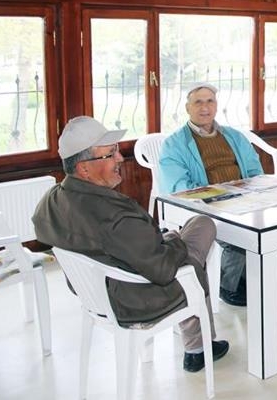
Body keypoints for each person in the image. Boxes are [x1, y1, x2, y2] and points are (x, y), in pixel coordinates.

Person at [32, 116, 229, 373]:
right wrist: (173, 240)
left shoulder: (53, 199)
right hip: (135, 299)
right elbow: (163, 269)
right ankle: (198, 348)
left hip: (97, 293)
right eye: (110, 154)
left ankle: (196, 343)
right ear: (84, 168)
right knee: (201, 230)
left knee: (187, 242)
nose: (120, 160)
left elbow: (42, 227)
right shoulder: (113, 216)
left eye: (117, 151)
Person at [160, 82, 264, 307]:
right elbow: (179, 186)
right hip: (208, 204)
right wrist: (221, 194)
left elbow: (256, 170)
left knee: (276, 227)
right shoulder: (174, 144)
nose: (204, 107)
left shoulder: (234, 136)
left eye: (210, 101)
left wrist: (248, 190)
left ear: (216, 106)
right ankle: (229, 284)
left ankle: (248, 275)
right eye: (198, 102)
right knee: (239, 234)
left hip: (244, 198)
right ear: (187, 107)